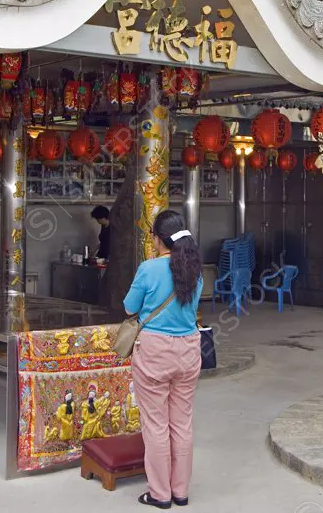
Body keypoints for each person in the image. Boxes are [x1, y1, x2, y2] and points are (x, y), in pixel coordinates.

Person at [123, 210, 203, 509]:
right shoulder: (194, 269)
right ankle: (180, 491)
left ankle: (160, 494)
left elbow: (130, 307)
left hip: (155, 352)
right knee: (182, 423)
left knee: (156, 425)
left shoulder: (148, 268)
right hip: (189, 350)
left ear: (157, 238)